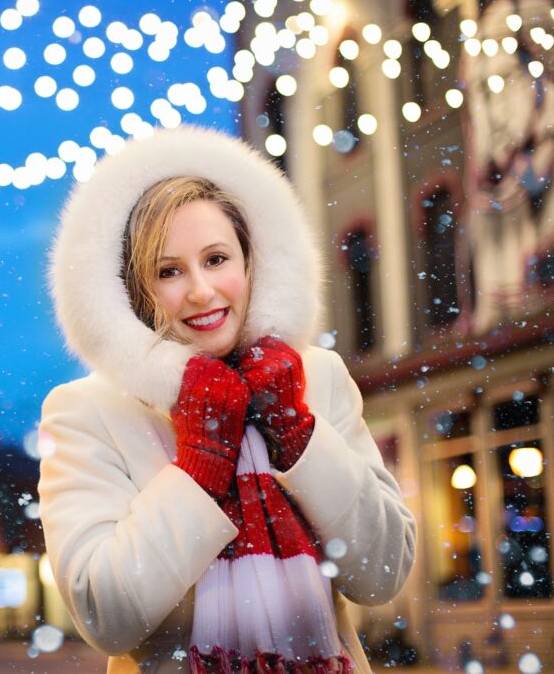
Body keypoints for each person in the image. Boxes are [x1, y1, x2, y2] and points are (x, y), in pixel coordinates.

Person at [39, 126, 416, 673]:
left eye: (216, 259)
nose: (200, 291)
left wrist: (296, 433)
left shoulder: (317, 377)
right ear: (133, 290)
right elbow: (106, 615)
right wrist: (201, 462)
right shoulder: (87, 411)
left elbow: (381, 574)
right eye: (168, 271)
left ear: (250, 261)